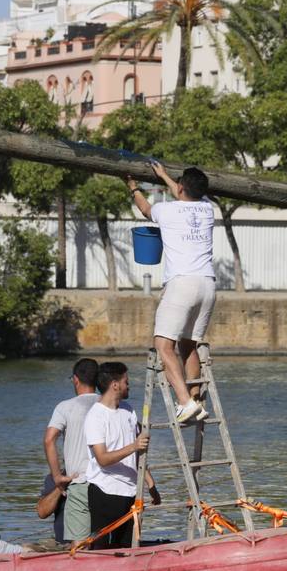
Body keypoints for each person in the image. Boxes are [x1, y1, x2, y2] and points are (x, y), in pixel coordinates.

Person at [127, 161, 216, 424]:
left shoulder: (167, 211)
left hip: (181, 284)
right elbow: (184, 194)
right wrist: (165, 175)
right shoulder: (208, 209)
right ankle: (196, 397)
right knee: (189, 344)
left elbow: (145, 209)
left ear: (180, 188)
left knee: (164, 345)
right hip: (207, 285)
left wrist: (133, 187)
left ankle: (185, 402)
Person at [84, 361, 159, 549]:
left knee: (128, 547)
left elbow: (138, 452)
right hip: (104, 491)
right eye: (126, 381)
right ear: (114, 385)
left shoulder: (128, 410)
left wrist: (150, 484)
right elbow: (102, 459)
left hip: (131, 492)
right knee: (101, 548)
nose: (129, 385)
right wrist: (133, 446)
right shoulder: (95, 416)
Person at [44, 357, 99, 543]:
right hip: (110, 482)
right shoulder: (112, 405)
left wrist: (57, 477)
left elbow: (49, 440)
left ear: (75, 379)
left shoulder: (65, 407)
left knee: (80, 545)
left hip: (80, 481)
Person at [36, 472, 72, 544]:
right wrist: (61, 486)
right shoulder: (54, 477)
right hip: (63, 545)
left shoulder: (96, 475)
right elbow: (42, 512)